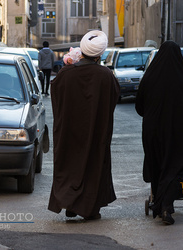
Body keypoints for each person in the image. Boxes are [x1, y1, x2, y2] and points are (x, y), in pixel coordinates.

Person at [48, 30, 120, 220]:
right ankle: (89, 208)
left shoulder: (65, 74)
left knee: (71, 165)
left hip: (69, 132)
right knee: (93, 166)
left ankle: (71, 204)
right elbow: (113, 100)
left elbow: (56, 98)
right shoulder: (106, 75)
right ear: (100, 54)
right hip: (96, 131)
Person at [135, 41, 183, 225]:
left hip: (154, 133)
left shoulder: (150, 77)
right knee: (175, 165)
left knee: (158, 164)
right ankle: (166, 205)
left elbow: (139, 107)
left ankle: (159, 200)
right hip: (179, 134)